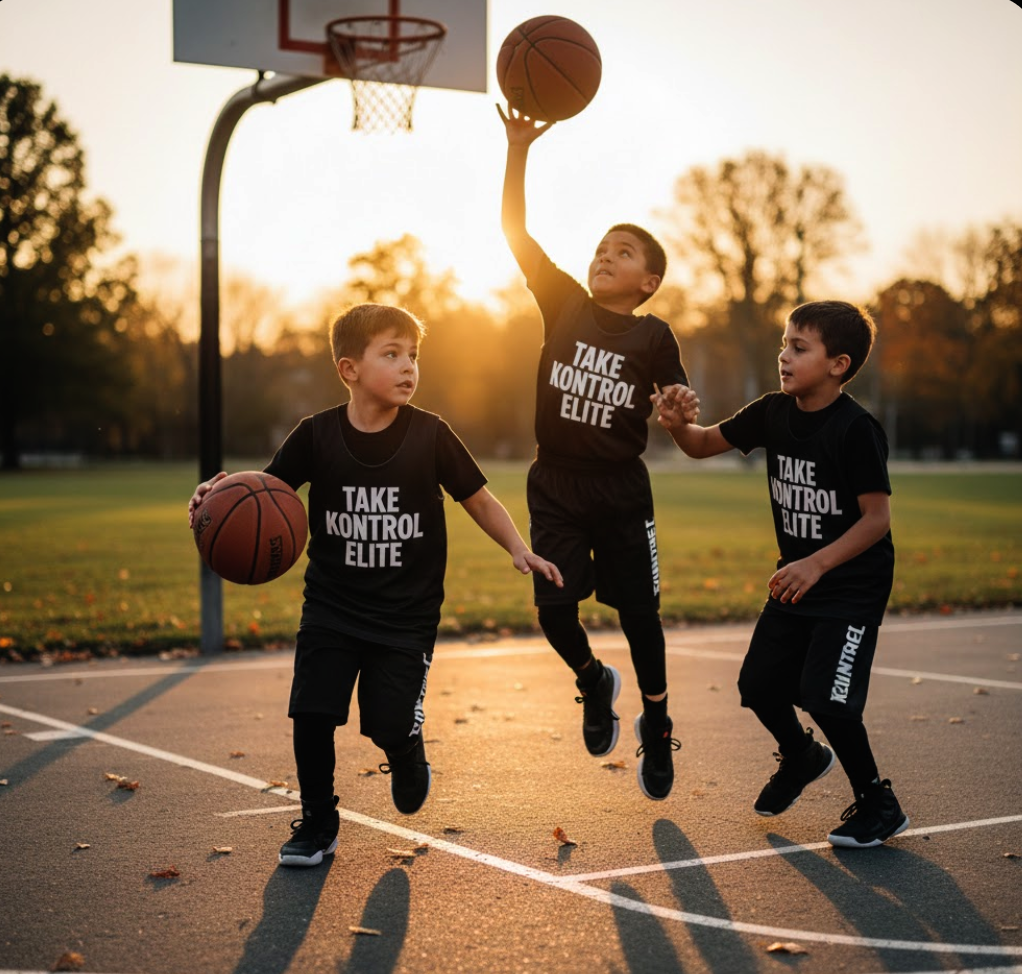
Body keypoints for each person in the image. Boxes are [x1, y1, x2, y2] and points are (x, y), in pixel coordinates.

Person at [188, 303, 562, 868]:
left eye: (413, 355)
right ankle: (318, 821)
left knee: (386, 721)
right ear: (350, 369)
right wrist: (209, 504)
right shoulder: (315, 435)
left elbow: (478, 499)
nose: (409, 366)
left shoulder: (431, 435)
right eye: (392, 354)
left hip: (405, 617)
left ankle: (406, 750)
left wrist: (519, 546)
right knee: (312, 712)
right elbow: (263, 495)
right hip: (332, 607)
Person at [654, 300, 909, 848]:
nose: (783, 356)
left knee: (827, 697)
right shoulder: (772, 411)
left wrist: (817, 563)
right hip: (799, 577)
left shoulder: (856, 429)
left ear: (838, 364)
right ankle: (800, 755)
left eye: (799, 347)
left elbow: (877, 519)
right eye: (783, 344)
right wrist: (678, 427)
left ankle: (878, 803)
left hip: (850, 586)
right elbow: (701, 443)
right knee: (758, 685)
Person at [497, 104, 687, 801]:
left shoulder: (654, 335)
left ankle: (659, 723)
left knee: (641, 617)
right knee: (553, 609)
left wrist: (676, 408)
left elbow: (676, 399)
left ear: (647, 282)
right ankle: (592, 680)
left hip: (620, 490)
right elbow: (513, 232)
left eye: (625, 252)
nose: (606, 255)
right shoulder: (565, 305)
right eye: (602, 246)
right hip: (556, 484)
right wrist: (518, 148)